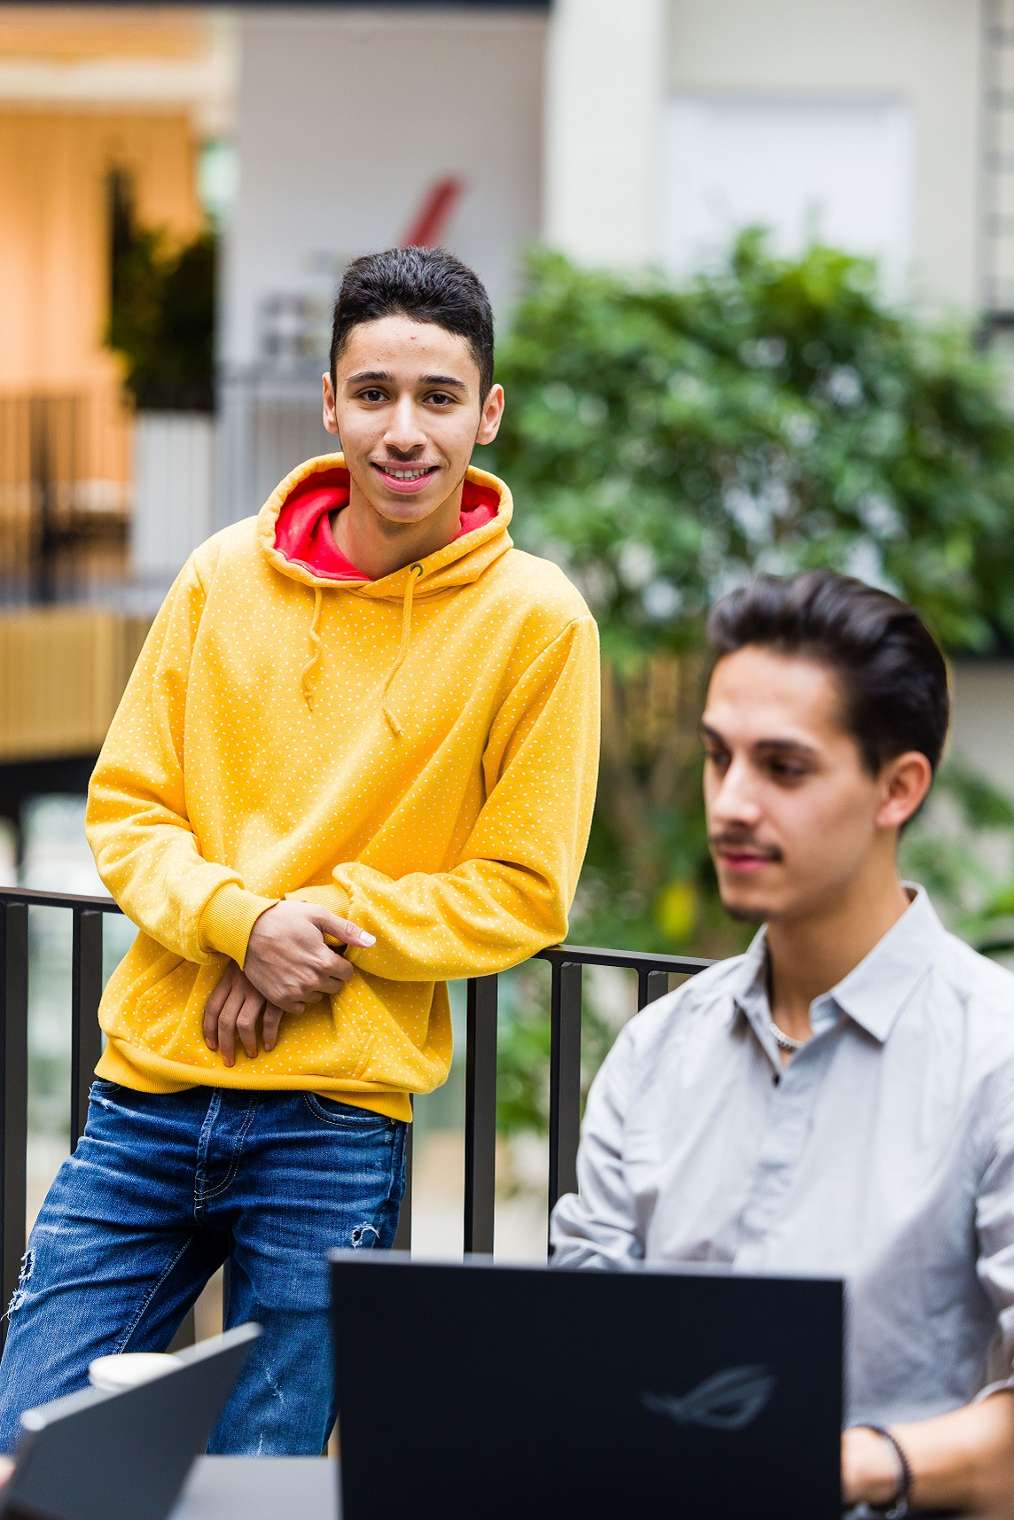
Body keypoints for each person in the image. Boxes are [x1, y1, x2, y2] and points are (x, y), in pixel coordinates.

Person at [0, 246, 600, 1457]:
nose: (405, 430)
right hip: (148, 1097)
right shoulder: (225, 574)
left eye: (438, 397)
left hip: (334, 1118)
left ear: (488, 411)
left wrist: (305, 926)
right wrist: (237, 920)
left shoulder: (538, 622)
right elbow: (126, 806)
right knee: (27, 1438)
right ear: (328, 402)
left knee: (261, 1477)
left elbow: (523, 888)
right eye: (374, 392)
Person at [552, 570, 1014, 1516]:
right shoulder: (655, 1050)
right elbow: (578, 1337)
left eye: (784, 768)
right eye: (720, 758)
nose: (731, 804)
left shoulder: (995, 1058)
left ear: (899, 788)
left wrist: (845, 1464)